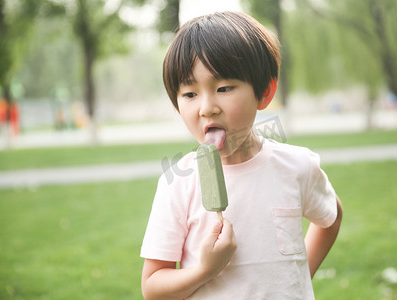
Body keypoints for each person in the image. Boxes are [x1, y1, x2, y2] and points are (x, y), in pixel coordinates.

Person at [140, 11, 343, 299]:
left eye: (223, 88)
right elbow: (153, 287)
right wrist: (205, 270)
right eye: (189, 94)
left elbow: (331, 218)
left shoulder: (298, 166)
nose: (207, 108)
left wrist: (298, 280)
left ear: (265, 92)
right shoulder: (178, 184)